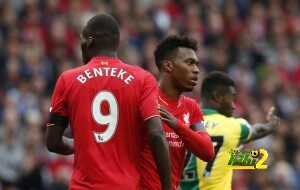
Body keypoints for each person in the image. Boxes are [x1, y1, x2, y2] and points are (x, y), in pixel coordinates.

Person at [45, 14, 171, 190]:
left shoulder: (68, 79)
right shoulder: (142, 79)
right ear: (117, 43)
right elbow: (157, 134)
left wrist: (83, 144)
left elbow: (52, 142)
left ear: (89, 42)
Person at [180, 71, 280, 190]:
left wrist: (258, 159)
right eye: (231, 98)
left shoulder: (180, 122)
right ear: (217, 97)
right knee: (264, 158)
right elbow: (257, 131)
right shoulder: (232, 126)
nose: (233, 106)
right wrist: (271, 126)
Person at [140, 35, 214, 190]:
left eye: (197, 64)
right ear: (168, 66)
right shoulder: (144, 98)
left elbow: (207, 151)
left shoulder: (191, 107)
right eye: (190, 63)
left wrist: (177, 125)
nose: (196, 70)